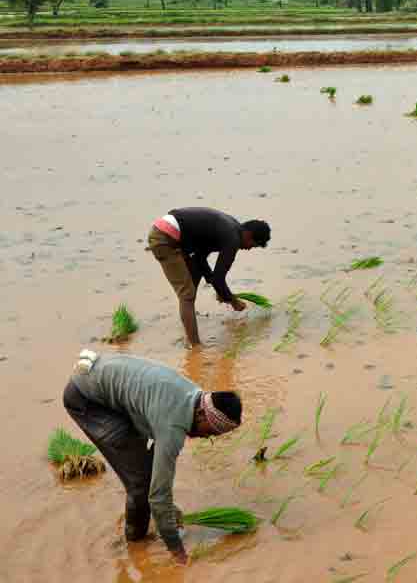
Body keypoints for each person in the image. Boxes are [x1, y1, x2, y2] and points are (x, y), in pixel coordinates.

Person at [63, 351, 242, 565]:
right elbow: (158, 497)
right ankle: (135, 547)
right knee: (139, 484)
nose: (205, 437)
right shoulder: (173, 426)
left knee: (143, 469)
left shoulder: (193, 395)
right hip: (87, 399)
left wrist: (169, 511)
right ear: (203, 414)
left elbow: (156, 465)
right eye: (210, 432)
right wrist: (178, 553)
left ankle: (137, 538)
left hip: (97, 371)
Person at [147, 208, 270, 347]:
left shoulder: (231, 227)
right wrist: (233, 301)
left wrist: (220, 291)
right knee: (186, 295)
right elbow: (218, 279)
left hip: (170, 231)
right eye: (253, 245)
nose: (249, 249)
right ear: (248, 235)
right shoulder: (233, 239)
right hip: (164, 238)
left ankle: (188, 327)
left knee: (194, 275)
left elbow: (200, 257)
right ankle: (196, 346)